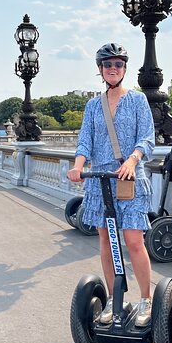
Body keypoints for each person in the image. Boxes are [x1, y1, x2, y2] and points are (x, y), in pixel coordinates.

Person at [66, 43, 155, 327]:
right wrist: (78, 167)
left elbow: (147, 138)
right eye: (107, 65)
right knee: (106, 241)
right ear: (100, 70)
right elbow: (85, 141)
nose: (112, 69)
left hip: (129, 178)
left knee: (133, 240)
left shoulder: (138, 100)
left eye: (117, 64)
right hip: (100, 181)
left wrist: (132, 160)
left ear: (124, 68)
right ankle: (118, 300)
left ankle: (146, 299)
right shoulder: (93, 106)